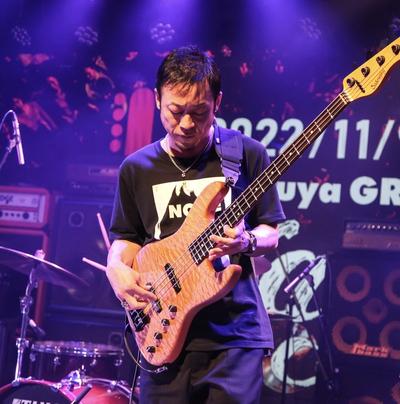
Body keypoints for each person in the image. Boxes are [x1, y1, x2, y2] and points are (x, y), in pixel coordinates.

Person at [106, 45, 285, 404]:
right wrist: (115, 268)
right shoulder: (136, 168)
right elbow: (126, 238)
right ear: (157, 100)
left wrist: (246, 241)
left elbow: (271, 232)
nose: (187, 124)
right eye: (176, 111)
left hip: (234, 334)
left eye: (200, 112)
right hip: (162, 329)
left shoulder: (246, 153)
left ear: (217, 103)